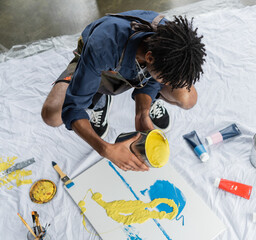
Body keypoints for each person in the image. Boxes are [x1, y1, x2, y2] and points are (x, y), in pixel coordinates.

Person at [41, 10, 206, 172]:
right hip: (99, 67)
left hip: (134, 71)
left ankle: (149, 101)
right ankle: (98, 98)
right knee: (52, 115)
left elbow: (153, 77)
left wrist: (142, 113)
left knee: (187, 98)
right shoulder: (104, 44)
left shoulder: (170, 41)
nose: (168, 84)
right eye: (166, 79)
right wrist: (105, 149)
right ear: (149, 57)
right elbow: (74, 108)